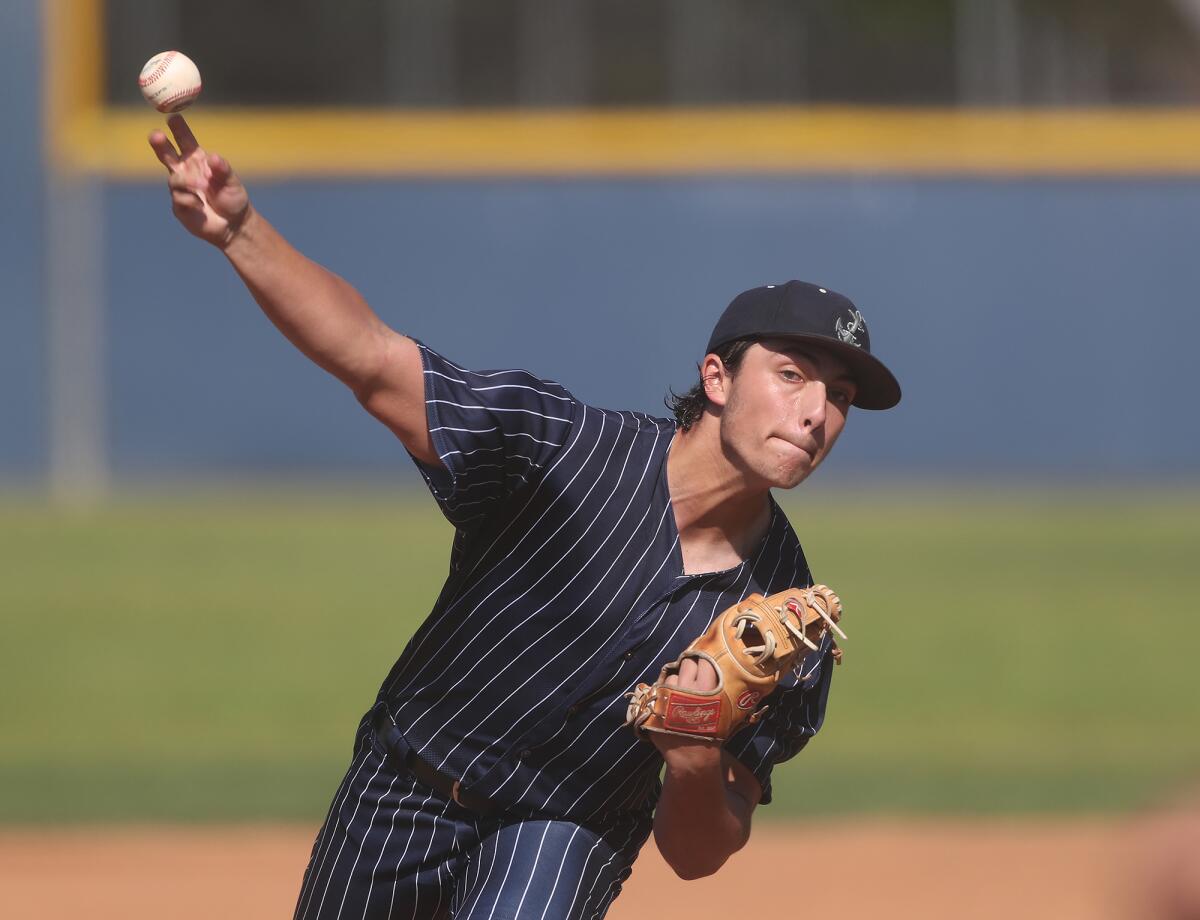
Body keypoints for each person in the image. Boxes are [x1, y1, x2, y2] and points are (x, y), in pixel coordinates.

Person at [149, 114, 902, 920]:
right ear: (716, 378)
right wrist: (241, 231)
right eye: (792, 375)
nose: (818, 411)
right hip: (402, 789)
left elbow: (696, 854)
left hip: (567, 831)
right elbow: (371, 359)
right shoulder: (563, 449)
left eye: (841, 398)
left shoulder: (788, 621)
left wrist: (692, 758)